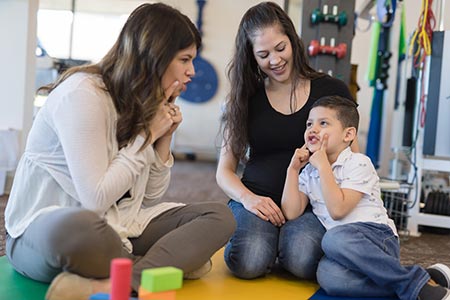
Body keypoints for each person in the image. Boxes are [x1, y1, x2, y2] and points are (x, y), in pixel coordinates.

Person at [5, 3, 236, 300]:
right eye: (185, 59)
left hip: (117, 230)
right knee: (83, 225)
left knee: (219, 215)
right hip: (47, 235)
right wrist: (147, 134)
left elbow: (149, 199)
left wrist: (163, 140)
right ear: (156, 56)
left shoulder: (143, 101)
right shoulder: (83, 95)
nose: (192, 71)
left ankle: (120, 282)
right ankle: (164, 265)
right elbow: (95, 200)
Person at [216, 1, 357, 280]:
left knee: (302, 260)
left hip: (312, 205)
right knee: (250, 261)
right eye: (263, 54)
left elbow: (353, 159)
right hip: (258, 198)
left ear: (293, 41)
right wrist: (249, 200)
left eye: (280, 48)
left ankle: (280, 245)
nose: (275, 60)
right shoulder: (244, 97)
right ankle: (264, 243)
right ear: (251, 56)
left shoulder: (332, 90)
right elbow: (224, 171)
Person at [281, 95, 450, 300]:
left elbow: (338, 210)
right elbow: (291, 212)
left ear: (348, 134)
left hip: (376, 238)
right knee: (328, 277)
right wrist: (293, 169)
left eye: (323, 123)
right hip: (347, 250)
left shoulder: (359, 163)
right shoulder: (309, 172)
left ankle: (414, 283)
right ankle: (420, 282)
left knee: (333, 239)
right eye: (309, 124)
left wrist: (324, 165)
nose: (313, 129)